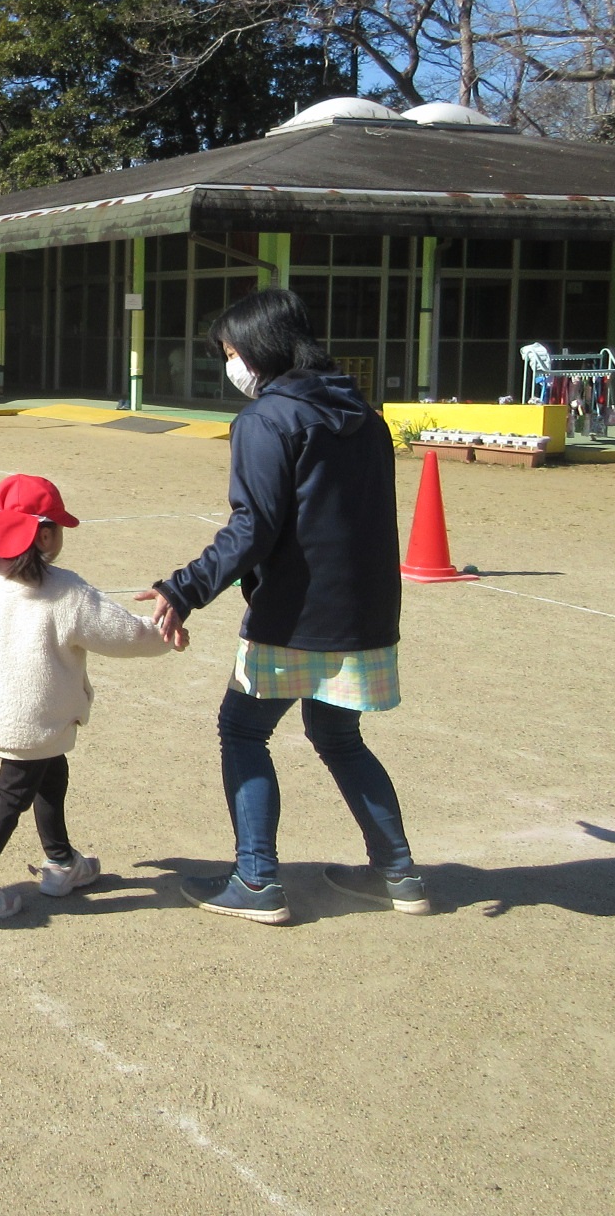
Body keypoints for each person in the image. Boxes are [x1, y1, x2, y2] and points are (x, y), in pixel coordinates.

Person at [141, 286, 427, 925]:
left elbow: (254, 527)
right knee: (339, 736)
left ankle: (257, 879)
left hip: (296, 612)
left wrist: (183, 589)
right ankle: (398, 873)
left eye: (231, 351)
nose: (230, 364)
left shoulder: (268, 420)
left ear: (257, 350)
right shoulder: (363, 415)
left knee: (242, 730)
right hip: (366, 611)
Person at [0, 474, 181, 919]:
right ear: (44, 535)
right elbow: (121, 633)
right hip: (33, 722)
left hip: (6, 715)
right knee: (11, 796)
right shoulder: (66, 591)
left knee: (51, 773)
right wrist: (164, 634)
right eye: (59, 528)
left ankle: (61, 861)